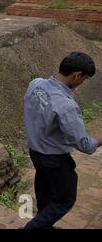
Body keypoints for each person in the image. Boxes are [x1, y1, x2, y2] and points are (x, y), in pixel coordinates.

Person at [23, 52, 102, 229]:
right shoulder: (66, 106)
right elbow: (85, 145)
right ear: (77, 75)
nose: (83, 83)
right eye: (85, 79)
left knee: (45, 191)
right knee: (65, 199)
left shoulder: (35, 84)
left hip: (35, 152)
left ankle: (45, 225)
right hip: (55, 159)